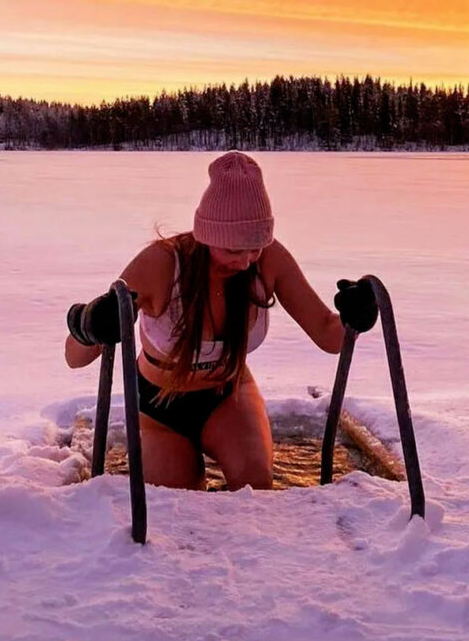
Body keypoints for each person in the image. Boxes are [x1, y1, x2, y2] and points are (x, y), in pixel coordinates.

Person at [65, 151, 378, 491]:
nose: (245, 262)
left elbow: (329, 336)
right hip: (159, 409)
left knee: (254, 485)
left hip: (229, 395)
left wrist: (356, 317)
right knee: (177, 504)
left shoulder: (270, 259)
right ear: (207, 235)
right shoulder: (162, 264)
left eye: (255, 248)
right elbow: (74, 356)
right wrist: (91, 323)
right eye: (232, 251)